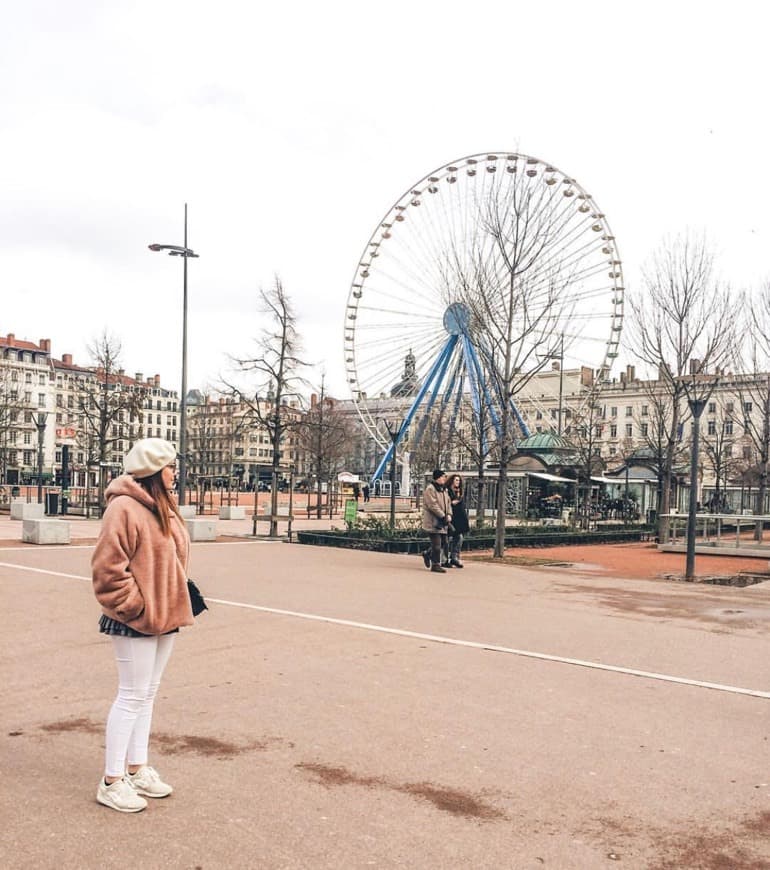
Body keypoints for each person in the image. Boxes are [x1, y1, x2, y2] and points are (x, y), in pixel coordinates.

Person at [91, 438, 194, 813]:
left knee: (147, 693)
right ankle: (112, 780)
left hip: (165, 615)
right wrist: (136, 607)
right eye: (170, 466)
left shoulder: (163, 506)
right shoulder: (123, 508)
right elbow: (107, 571)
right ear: (153, 471)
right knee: (131, 695)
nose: (175, 472)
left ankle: (136, 768)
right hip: (137, 618)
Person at [420, 469, 453, 573]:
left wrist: (449, 514)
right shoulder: (430, 489)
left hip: (442, 521)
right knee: (437, 544)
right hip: (433, 521)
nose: (444, 478)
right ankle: (435, 564)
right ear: (438, 477)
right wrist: (443, 515)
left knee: (444, 542)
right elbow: (432, 505)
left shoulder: (444, 490)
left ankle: (427, 554)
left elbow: (448, 503)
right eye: (443, 476)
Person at [444, 473, 470, 568]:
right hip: (450, 517)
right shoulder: (447, 491)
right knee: (445, 539)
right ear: (451, 481)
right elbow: (444, 503)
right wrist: (451, 503)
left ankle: (454, 557)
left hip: (459, 518)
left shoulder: (459, 492)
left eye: (459, 480)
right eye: (456, 480)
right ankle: (434, 554)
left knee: (459, 537)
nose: (458, 482)